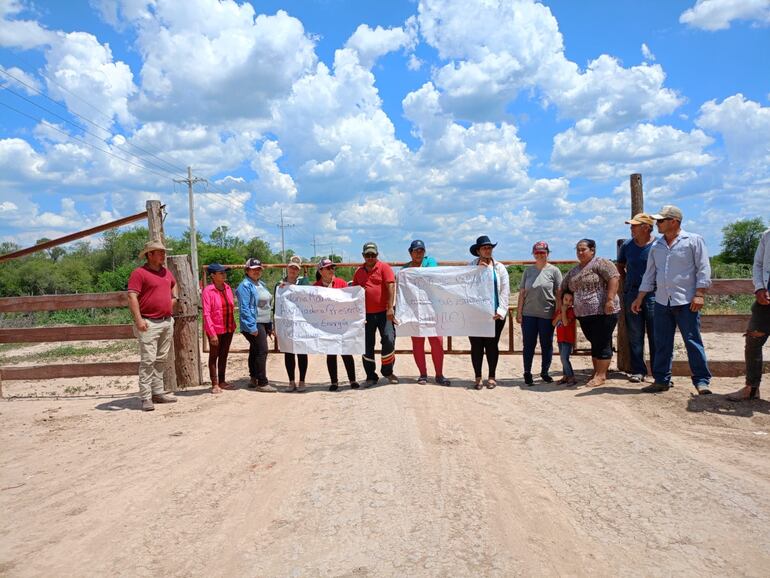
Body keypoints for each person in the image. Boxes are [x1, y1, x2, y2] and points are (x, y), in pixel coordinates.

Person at [632, 205, 713, 395]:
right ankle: (661, 379)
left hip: (686, 301)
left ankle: (701, 381)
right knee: (662, 342)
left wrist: (699, 294)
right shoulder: (657, 246)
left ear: (674, 222)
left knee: (692, 340)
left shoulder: (693, 240)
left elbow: (703, 269)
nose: (657, 224)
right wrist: (640, 297)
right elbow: (650, 274)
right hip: (662, 301)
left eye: (661, 221)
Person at [127, 240, 179, 411]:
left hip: (165, 320)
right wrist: (139, 320)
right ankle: (146, 396)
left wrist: (174, 299)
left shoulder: (165, 272)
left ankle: (157, 392)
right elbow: (132, 296)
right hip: (149, 322)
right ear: (149, 254)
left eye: (163, 252)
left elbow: (174, 284)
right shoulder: (139, 273)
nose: (163, 255)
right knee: (148, 360)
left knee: (161, 359)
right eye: (160, 252)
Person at [561, 239, 620, 387]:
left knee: (602, 341)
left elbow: (614, 278)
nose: (580, 253)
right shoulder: (575, 270)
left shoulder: (601, 263)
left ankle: (601, 375)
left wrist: (610, 300)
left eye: (583, 249)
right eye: (578, 250)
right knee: (595, 342)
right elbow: (563, 287)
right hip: (584, 314)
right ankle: (597, 372)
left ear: (592, 250)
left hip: (603, 311)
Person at [729, 226, 770, 401]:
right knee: (753, 339)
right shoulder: (767, 236)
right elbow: (759, 264)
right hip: (765, 299)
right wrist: (759, 287)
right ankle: (751, 388)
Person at [402, 240, 451, 386]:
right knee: (417, 343)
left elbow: (431, 275)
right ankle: (423, 374)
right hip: (414, 311)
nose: (419, 253)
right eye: (416, 251)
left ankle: (439, 374)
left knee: (437, 342)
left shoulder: (430, 262)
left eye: (421, 251)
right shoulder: (405, 268)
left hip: (433, 310)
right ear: (410, 252)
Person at [617, 213, 657, 383]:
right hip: (632, 293)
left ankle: (658, 372)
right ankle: (638, 370)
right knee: (635, 334)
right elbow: (620, 266)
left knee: (657, 335)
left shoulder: (658, 245)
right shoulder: (627, 245)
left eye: (634, 225)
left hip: (654, 295)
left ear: (646, 227)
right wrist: (628, 283)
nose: (631, 228)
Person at [352, 242, 398, 387]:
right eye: (367, 255)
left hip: (385, 313)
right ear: (363, 256)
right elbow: (354, 292)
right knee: (366, 345)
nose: (370, 257)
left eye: (373, 255)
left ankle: (387, 371)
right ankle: (371, 376)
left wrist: (390, 308)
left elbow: (391, 285)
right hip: (365, 316)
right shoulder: (358, 272)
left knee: (389, 339)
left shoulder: (384, 268)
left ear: (377, 255)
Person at [516, 241, 562, 385]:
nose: (540, 255)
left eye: (543, 252)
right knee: (528, 344)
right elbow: (522, 292)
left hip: (547, 314)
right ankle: (527, 372)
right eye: (537, 252)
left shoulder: (554, 271)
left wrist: (558, 313)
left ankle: (544, 372)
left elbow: (558, 293)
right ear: (533, 254)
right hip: (528, 313)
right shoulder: (528, 271)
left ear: (548, 253)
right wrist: (519, 313)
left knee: (546, 344)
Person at [468, 235, 510, 390]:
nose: (487, 250)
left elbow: (505, 290)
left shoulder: (499, 268)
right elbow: (464, 286)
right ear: (478, 251)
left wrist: (501, 310)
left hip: (494, 313)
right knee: (476, 346)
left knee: (492, 345)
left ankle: (492, 376)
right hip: (475, 314)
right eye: (484, 248)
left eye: (489, 247)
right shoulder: (470, 267)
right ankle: (477, 377)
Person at [315, 258, 360, 391]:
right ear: (321, 271)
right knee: (331, 353)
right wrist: (285, 287)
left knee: (346, 351)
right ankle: (334, 382)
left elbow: (352, 301)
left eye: (332, 267)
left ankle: (353, 380)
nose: (331, 270)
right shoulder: (315, 287)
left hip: (342, 324)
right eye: (328, 268)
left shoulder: (341, 283)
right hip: (326, 325)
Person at [236, 258, 276, 392]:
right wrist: (251, 326)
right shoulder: (245, 286)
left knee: (255, 350)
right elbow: (245, 308)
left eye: (258, 269)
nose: (256, 271)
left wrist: (269, 324)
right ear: (247, 270)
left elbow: (267, 305)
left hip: (263, 322)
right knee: (262, 350)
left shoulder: (261, 284)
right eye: (253, 269)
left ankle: (253, 378)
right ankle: (262, 382)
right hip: (254, 322)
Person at [275, 255, 310, 392]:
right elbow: (276, 306)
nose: (293, 270)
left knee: (302, 352)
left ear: (299, 270)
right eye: (291, 268)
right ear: (287, 268)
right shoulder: (279, 286)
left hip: (301, 323)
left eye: (296, 268)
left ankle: (302, 381)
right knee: (288, 352)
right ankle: (291, 381)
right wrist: (275, 326)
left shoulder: (303, 283)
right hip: (286, 323)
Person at [201, 263, 235, 394]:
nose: (224, 274)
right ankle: (214, 383)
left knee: (224, 355)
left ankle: (222, 381)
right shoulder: (208, 291)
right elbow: (206, 313)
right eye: (221, 273)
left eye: (224, 272)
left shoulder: (227, 288)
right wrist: (212, 332)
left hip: (229, 327)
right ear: (213, 276)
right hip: (215, 328)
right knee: (214, 355)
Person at [553, 289, 577, 385]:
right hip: (560, 338)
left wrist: (563, 312)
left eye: (570, 300)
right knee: (562, 358)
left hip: (568, 339)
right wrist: (558, 316)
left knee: (564, 358)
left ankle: (571, 377)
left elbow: (566, 323)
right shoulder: (558, 311)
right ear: (562, 300)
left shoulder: (571, 311)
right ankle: (565, 376)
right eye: (566, 299)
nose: (568, 302)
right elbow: (553, 323)